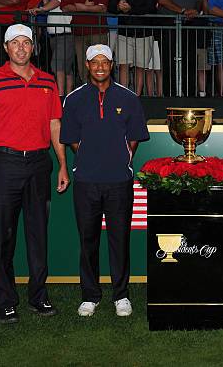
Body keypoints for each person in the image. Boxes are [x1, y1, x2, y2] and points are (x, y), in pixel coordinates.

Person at [0, 24, 70, 324]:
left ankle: (38, 296)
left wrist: (62, 162)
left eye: (27, 42)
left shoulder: (48, 81)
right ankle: (6, 300)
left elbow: (55, 125)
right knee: (3, 237)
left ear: (33, 47)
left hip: (40, 165)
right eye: (16, 43)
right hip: (4, 164)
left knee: (38, 235)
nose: (22, 48)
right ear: (6, 48)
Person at [60, 44, 149, 318]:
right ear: (87, 65)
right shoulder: (74, 99)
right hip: (86, 180)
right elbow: (72, 139)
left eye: (105, 62)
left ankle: (121, 295)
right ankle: (90, 295)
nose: (100, 66)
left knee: (119, 239)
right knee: (88, 240)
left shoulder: (129, 97)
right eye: (94, 62)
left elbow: (134, 136)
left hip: (119, 181)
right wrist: (88, 155)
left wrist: (121, 155)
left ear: (112, 65)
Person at [155, 0, 202, 96]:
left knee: (190, 60)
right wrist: (182, 10)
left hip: (189, 25)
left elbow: (198, 0)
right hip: (170, 25)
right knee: (169, 61)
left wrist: (194, 10)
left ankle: (190, 94)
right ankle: (171, 96)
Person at [108, 0, 157, 96]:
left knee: (140, 67)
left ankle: (136, 96)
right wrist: (118, 7)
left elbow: (150, 8)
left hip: (144, 33)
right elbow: (110, 7)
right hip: (124, 32)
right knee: (123, 65)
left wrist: (130, 9)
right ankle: (124, 96)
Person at [60, 0, 109, 83]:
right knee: (83, 67)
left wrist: (80, 7)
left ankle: (101, 95)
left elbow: (103, 8)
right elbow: (65, 7)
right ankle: (87, 95)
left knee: (100, 66)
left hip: (98, 31)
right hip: (79, 33)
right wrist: (87, 7)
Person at [29, 0, 75, 95]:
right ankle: (67, 96)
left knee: (57, 66)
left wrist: (41, 8)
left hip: (64, 33)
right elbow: (52, 5)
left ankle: (60, 96)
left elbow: (56, 3)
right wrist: (44, 0)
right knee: (65, 68)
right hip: (54, 35)